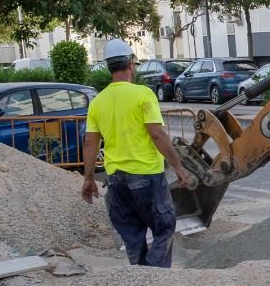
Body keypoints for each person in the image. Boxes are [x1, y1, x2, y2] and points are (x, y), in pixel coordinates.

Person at [80, 39, 196, 267]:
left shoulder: (98, 102)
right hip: (147, 175)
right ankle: (154, 274)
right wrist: (180, 168)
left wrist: (88, 178)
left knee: (132, 235)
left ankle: (140, 278)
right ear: (131, 64)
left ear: (108, 67)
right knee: (164, 227)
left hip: (116, 181)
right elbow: (157, 134)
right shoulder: (143, 95)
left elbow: (90, 143)